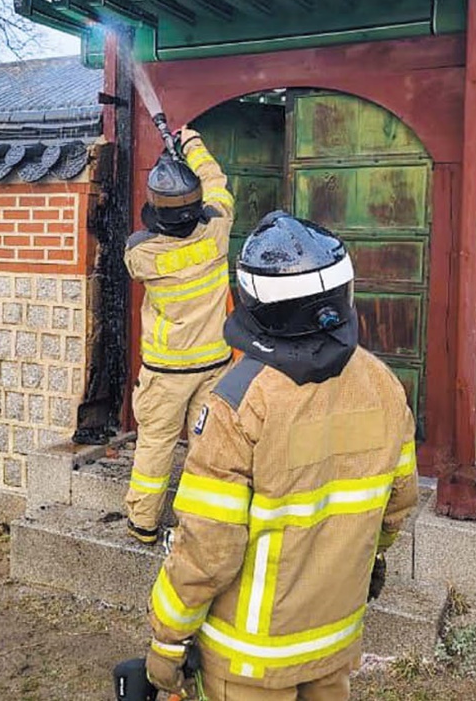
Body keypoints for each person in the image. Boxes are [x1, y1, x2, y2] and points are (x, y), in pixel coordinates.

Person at [144, 210, 418, 700]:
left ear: (255, 305)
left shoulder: (239, 402)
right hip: (333, 642)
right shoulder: (384, 386)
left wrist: (167, 640)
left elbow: (208, 549)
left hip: (250, 660)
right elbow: (395, 508)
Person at [124, 126, 234, 545]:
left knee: (155, 445)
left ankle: (143, 523)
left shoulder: (141, 253)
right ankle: (197, 525)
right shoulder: (219, 229)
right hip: (215, 366)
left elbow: (144, 238)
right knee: (206, 449)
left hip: (165, 372)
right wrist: (190, 142)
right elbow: (216, 183)